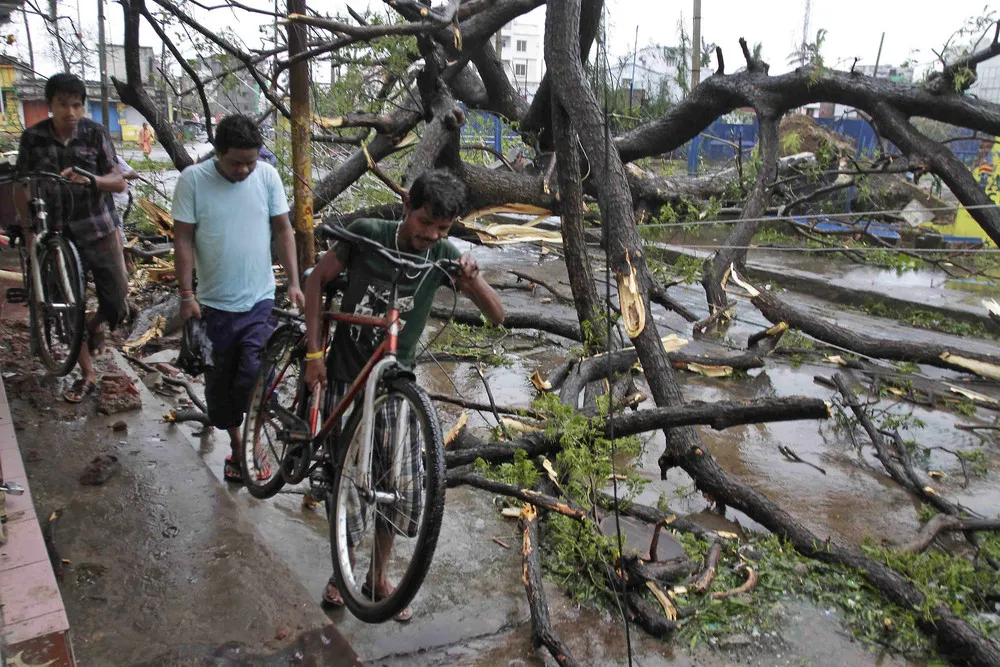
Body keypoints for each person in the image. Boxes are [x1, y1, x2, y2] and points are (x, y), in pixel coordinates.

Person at [302, 169, 504, 622]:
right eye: (425, 222)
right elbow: (316, 280)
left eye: (443, 228)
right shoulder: (367, 234)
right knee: (349, 480)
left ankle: (378, 576)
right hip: (347, 377)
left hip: (396, 386)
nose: (430, 235)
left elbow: (497, 316)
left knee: (397, 486)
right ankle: (343, 572)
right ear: (407, 207)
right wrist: (314, 352)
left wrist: (473, 278)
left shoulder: (443, 254)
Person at [172, 114, 305, 483]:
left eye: (252, 160)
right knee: (220, 391)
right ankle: (237, 446)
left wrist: (293, 282)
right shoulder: (193, 181)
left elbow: (283, 229)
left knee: (254, 377)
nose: (245, 169)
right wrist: (186, 295)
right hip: (213, 305)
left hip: (259, 301)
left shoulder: (266, 176)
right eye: (236, 162)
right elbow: (182, 238)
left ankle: (252, 444)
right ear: (218, 152)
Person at [14, 72, 129, 403]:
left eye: (76, 105)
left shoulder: (95, 134)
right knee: (67, 305)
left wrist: (91, 180)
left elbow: (117, 180)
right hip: (55, 232)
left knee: (117, 299)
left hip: (98, 226)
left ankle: (93, 328)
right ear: (50, 104)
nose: (70, 112)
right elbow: (23, 185)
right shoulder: (32, 138)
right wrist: (28, 227)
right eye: (62, 104)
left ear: (83, 107)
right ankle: (88, 373)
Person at [114, 155, 140, 272]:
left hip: (118, 198)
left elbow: (134, 174)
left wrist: (115, 177)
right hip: (104, 200)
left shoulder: (113, 157)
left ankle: (128, 264)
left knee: (117, 229)